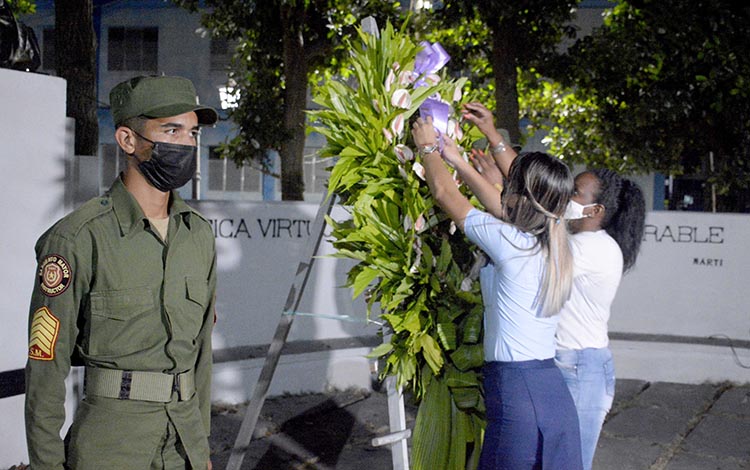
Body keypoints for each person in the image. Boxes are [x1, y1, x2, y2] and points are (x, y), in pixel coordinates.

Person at [25, 75, 218, 469]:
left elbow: (201, 357)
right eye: (171, 130)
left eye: (191, 133)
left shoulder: (197, 235)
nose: (186, 144)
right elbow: (46, 372)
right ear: (128, 140)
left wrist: (202, 448)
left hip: (184, 444)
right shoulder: (78, 238)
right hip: (111, 445)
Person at [412, 103, 583, 469]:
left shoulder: (511, 243)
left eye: (509, 185)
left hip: (517, 394)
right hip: (553, 394)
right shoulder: (554, 239)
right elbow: (504, 208)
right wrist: (458, 161)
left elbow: (445, 195)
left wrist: (427, 148)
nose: (501, 188)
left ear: (519, 195)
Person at [554, 169, 646, 470]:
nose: (567, 196)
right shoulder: (589, 242)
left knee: (570, 463)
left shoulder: (589, 248)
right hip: (581, 365)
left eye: (576, 192)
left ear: (596, 209)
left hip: (580, 368)